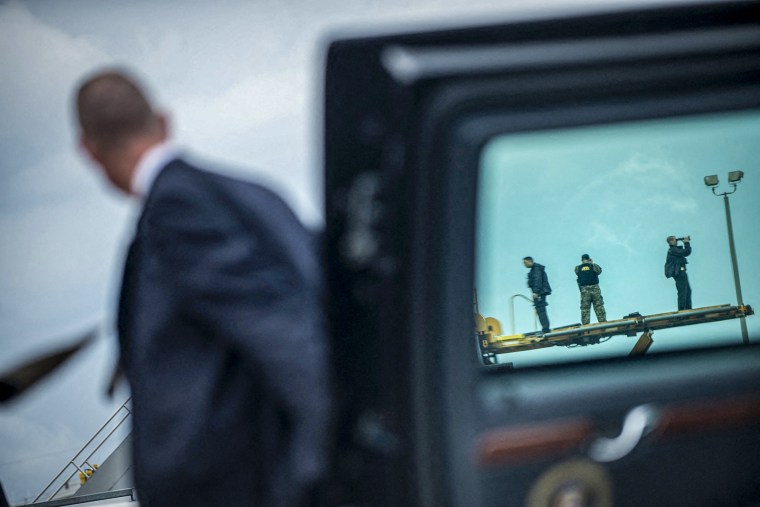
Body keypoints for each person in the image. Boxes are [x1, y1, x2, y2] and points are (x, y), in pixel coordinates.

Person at [75, 69, 331, 507]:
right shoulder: (256, 193)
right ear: (163, 121)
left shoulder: (176, 209)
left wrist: (316, 474)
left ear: (89, 151)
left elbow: (289, 342)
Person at [574, 254, 607, 325]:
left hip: (584, 290)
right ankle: (603, 322)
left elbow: (577, 273)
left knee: (585, 308)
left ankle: (585, 325)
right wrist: (591, 263)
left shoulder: (577, 268)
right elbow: (599, 271)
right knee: (599, 306)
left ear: (582, 260)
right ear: (589, 259)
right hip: (595, 289)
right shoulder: (593, 266)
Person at [523, 257, 552, 333]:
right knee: (540, 309)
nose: (524, 265)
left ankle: (545, 328)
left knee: (540, 309)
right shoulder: (534, 269)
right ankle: (545, 327)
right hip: (539, 292)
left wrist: (536, 292)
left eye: (525, 263)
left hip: (539, 292)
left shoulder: (536, 269)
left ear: (530, 261)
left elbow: (537, 280)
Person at [664, 235, 692, 310]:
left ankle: (688, 309)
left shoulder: (674, 250)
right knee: (683, 291)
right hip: (679, 273)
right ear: (670, 241)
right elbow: (686, 252)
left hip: (681, 272)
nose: (676, 240)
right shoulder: (673, 250)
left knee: (687, 291)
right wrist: (686, 243)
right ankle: (682, 310)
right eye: (674, 239)